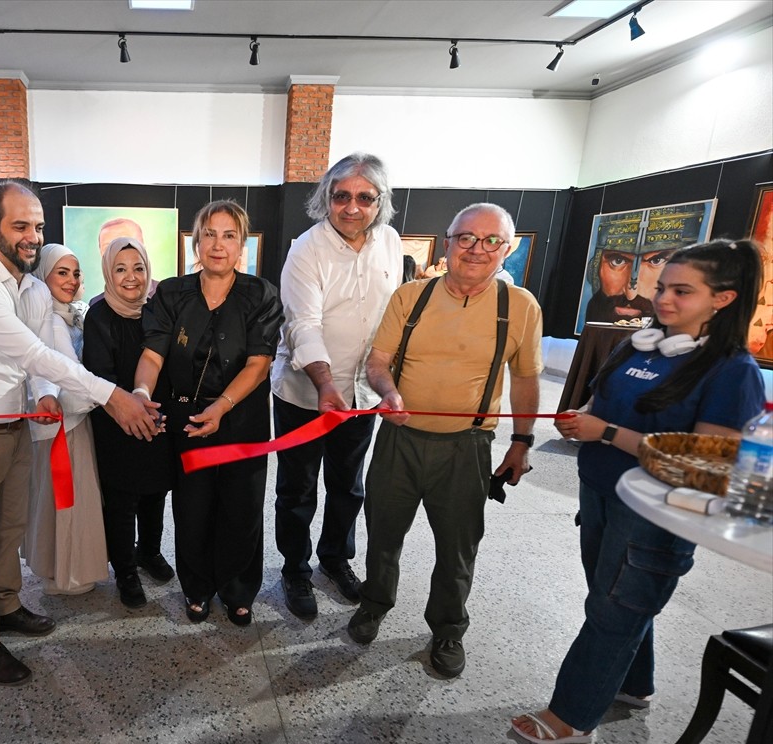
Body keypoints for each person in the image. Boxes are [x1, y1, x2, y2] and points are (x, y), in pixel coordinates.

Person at [511, 239, 765, 744]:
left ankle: (573, 716)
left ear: (724, 299)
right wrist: (579, 419)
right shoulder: (640, 343)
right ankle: (633, 682)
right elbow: (599, 401)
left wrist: (605, 433)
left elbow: (705, 467)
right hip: (601, 494)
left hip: (657, 514)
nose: (663, 300)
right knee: (615, 600)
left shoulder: (733, 373)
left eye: (682, 291)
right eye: (663, 287)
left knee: (614, 609)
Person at [0, 180, 158, 687]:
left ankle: (7, 606)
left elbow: (35, 360)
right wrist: (113, 395)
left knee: (9, 530)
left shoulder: (30, 288)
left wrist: (47, 391)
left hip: (15, 425)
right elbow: (33, 352)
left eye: (37, 226)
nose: (32, 236)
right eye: (20, 226)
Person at [347, 203, 544, 679]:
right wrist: (388, 392)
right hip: (399, 440)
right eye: (466, 238)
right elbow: (378, 362)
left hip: (467, 447)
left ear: (508, 249)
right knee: (384, 533)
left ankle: (448, 628)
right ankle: (375, 601)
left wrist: (521, 442)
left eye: (491, 240)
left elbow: (525, 379)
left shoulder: (519, 307)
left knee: (457, 547)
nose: (477, 249)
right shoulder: (410, 297)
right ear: (449, 242)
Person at [134, 200, 284, 626]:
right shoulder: (171, 293)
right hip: (188, 422)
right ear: (196, 241)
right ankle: (197, 587)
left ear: (242, 245)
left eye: (229, 235)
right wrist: (141, 391)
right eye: (210, 234)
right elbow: (152, 352)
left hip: (241, 418)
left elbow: (259, 364)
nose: (218, 244)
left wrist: (222, 406)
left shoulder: (260, 294)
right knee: (193, 506)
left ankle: (238, 590)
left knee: (242, 505)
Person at [271, 152, 404, 619]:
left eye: (364, 198)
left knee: (349, 485)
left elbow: (392, 323)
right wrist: (325, 384)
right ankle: (294, 568)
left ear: (380, 202)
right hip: (305, 394)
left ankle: (334, 559)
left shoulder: (390, 242)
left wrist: (389, 383)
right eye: (341, 196)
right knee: (298, 487)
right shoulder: (306, 248)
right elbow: (302, 325)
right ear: (326, 198)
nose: (352, 207)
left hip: (361, 396)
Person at [83, 237, 176, 609]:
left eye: (138, 268)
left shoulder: (158, 312)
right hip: (116, 422)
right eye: (120, 269)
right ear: (108, 272)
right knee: (121, 501)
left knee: (156, 493)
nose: (131, 277)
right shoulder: (98, 316)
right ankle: (124, 570)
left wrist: (155, 413)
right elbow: (99, 375)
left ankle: (149, 552)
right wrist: (131, 411)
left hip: (156, 418)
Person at [21, 244, 109, 596]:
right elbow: (60, 375)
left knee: (66, 496)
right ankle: (65, 571)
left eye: (75, 273)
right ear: (44, 274)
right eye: (62, 272)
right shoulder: (48, 320)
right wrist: (108, 399)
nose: (71, 280)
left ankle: (62, 567)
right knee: (66, 497)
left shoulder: (72, 314)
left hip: (74, 420)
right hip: (63, 422)